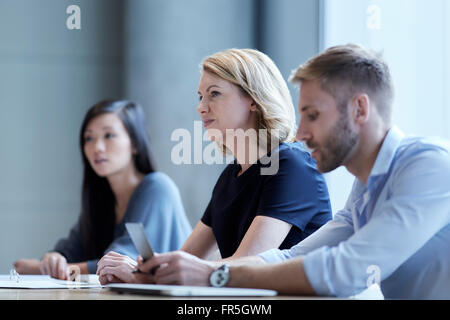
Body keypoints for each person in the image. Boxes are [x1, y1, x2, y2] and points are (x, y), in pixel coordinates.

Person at [135, 44, 450, 299]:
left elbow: (347, 269)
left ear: (359, 109)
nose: (301, 134)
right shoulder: (365, 187)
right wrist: (173, 273)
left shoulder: (430, 165)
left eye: (313, 115)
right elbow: (291, 257)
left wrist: (215, 274)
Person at [96, 49, 332, 284]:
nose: (201, 107)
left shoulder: (292, 166)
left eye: (214, 94)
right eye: (200, 96)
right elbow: (187, 259)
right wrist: (143, 273)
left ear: (253, 99)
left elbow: (246, 264)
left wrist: (150, 274)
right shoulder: (231, 176)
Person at [13, 100, 192, 280]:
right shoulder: (102, 201)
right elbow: (31, 264)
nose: (97, 148)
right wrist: (52, 260)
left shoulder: (157, 187)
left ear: (135, 144)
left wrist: (53, 268)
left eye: (109, 135)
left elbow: (119, 263)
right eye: (89, 138)